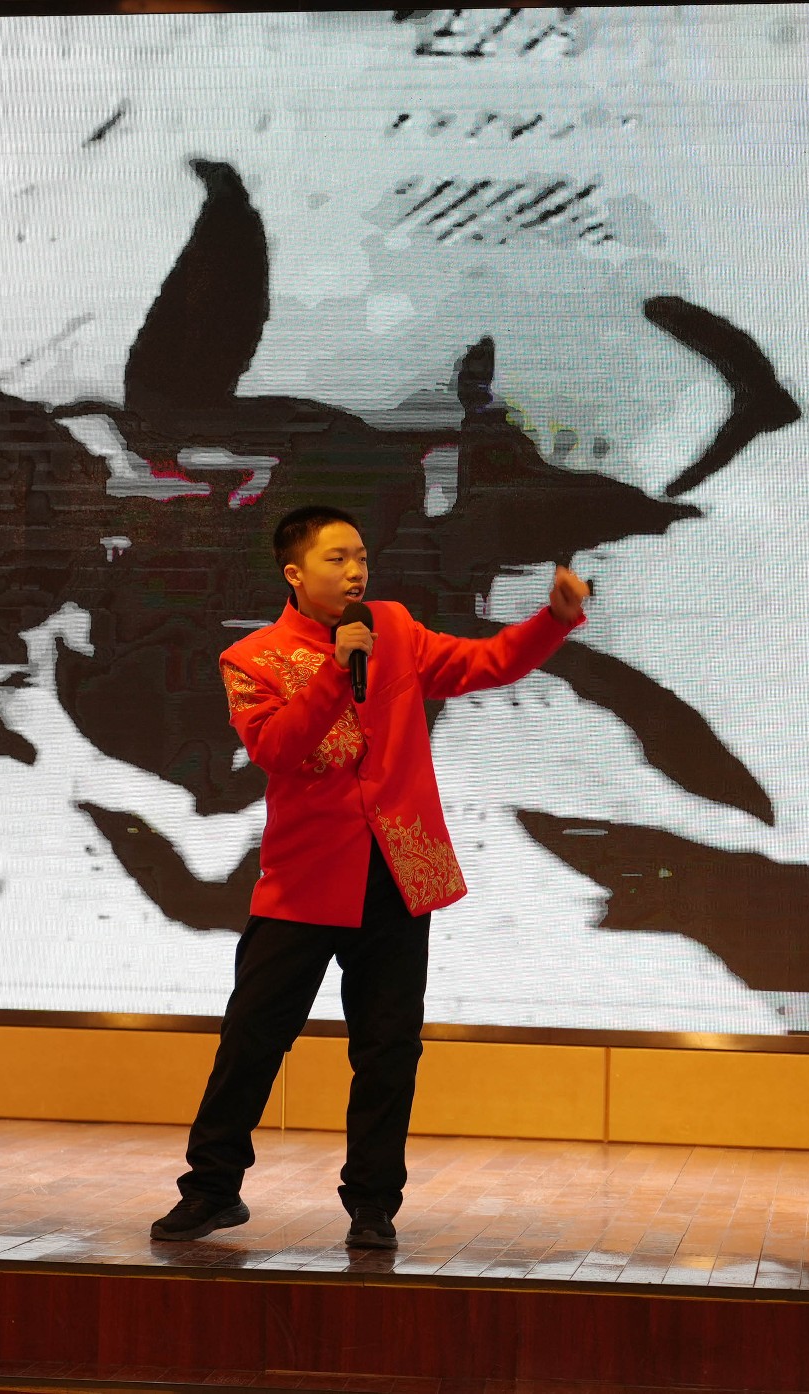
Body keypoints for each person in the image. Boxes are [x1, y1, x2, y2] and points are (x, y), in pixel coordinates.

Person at [150, 505, 588, 1249]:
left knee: (388, 1048)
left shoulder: (394, 628)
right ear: (294, 573)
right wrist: (333, 670)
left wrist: (553, 620)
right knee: (252, 1040)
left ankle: (373, 1205)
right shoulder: (252, 659)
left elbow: (484, 664)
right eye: (337, 559)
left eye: (360, 556)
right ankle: (212, 1190)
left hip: (397, 872)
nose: (356, 571)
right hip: (305, 879)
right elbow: (278, 751)